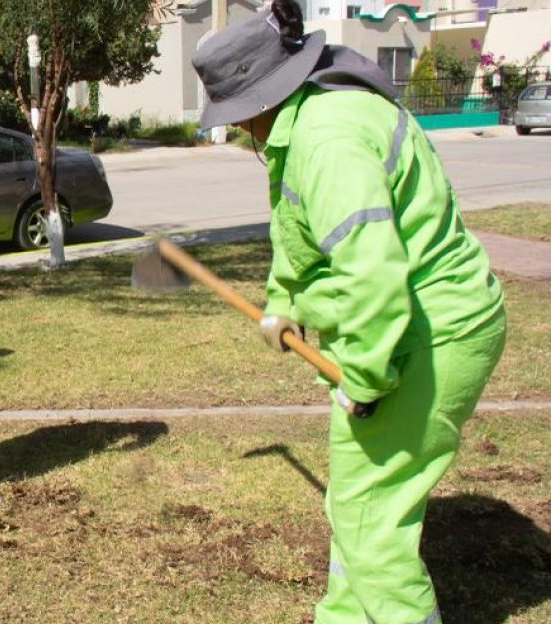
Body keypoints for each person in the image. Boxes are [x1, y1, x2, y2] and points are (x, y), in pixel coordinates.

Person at [192, 2, 507, 622]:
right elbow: (303, 234)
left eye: (236, 116)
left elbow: (370, 268)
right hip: (407, 328)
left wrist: (364, 375)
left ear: (261, 98)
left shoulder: (327, 137)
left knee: (371, 527)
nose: (237, 130)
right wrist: (282, 304)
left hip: (424, 336)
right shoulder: (313, 116)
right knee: (354, 502)